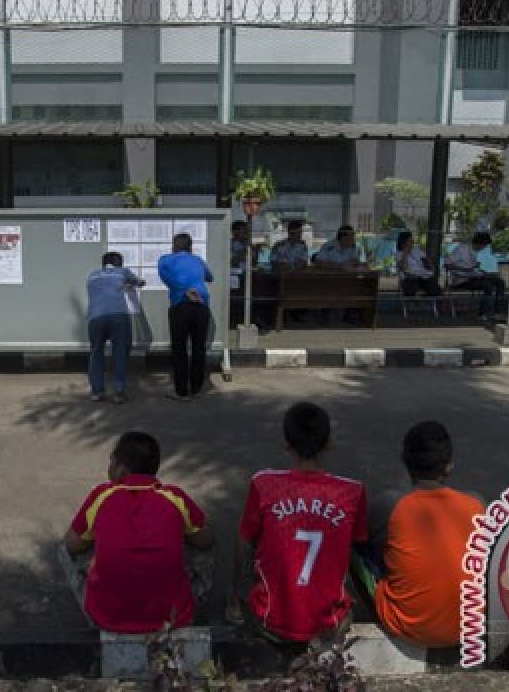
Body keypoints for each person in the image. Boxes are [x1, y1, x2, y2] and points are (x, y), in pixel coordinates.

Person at [229, 403, 368, 643]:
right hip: (328, 626)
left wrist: (236, 592)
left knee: (250, 536)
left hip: (268, 621)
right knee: (354, 543)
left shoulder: (264, 483)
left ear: (286, 443)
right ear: (327, 444)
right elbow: (358, 542)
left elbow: (244, 541)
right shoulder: (352, 491)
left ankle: (234, 605)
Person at [62, 431, 215, 633]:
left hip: (108, 619)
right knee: (204, 540)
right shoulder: (174, 497)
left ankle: (98, 603)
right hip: (171, 619)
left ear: (120, 470)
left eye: (111, 462)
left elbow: (72, 544)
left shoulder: (102, 495)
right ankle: (191, 598)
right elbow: (206, 540)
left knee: (66, 548)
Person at [372, 422, 483, 648]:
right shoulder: (477, 505)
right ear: (449, 466)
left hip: (407, 628)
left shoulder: (390, 504)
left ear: (405, 462)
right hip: (468, 627)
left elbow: (367, 544)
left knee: (359, 547)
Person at [158, 233, 214, 401]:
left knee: (179, 349)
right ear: (190, 247)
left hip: (180, 306)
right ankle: (196, 389)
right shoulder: (198, 260)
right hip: (201, 306)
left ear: (174, 246)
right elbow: (210, 277)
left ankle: (181, 392)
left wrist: (185, 290)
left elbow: (167, 278)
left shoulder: (165, 260)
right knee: (199, 347)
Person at [85, 252, 143, 403]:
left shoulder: (92, 275)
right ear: (118, 263)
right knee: (120, 352)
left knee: (96, 352)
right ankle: (118, 392)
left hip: (95, 317)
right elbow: (139, 282)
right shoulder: (122, 272)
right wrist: (134, 283)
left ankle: (97, 392)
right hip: (118, 316)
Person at [446, 232, 506, 321]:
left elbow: (473, 269)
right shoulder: (461, 249)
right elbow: (447, 265)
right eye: (484, 246)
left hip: (472, 277)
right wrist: (465, 270)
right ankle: (483, 314)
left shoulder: (473, 252)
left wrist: (484, 273)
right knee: (487, 285)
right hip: (461, 280)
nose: (484, 248)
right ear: (480, 244)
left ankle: (498, 312)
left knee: (499, 282)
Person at [395, 232, 441, 298]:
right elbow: (403, 267)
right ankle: (412, 303)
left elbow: (426, 259)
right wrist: (405, 252)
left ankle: (425, 301)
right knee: (411, 287)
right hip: (409, 278)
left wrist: (430, 266)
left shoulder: (416, 250)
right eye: (410, 240)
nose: (412, 242)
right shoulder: (399, 254)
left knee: (435, 290)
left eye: (412, 240)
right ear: (404, 242)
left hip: (422, 276)